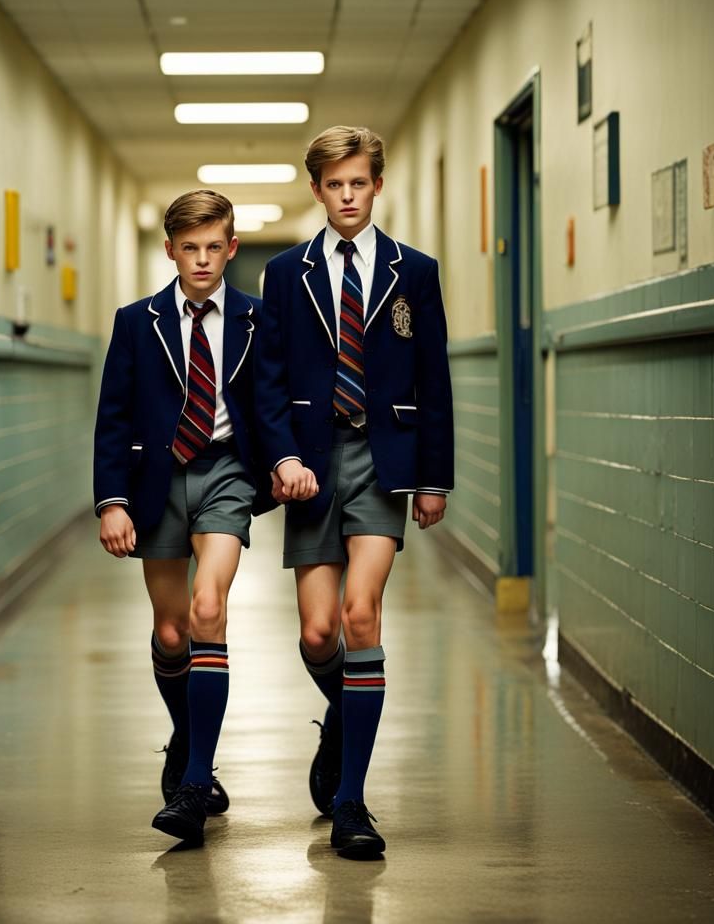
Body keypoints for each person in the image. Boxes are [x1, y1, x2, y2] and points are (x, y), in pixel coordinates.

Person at [256, 125, 454, 859]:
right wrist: (279, 455)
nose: (347, 196)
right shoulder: (287, 273)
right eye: (333, 185)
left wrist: (433, 478)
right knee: (317, 633)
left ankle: (352, 803)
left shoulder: (415, 271)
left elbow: (433, 379)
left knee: (360, 615)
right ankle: (345, 713)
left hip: (382, 458)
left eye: (358, 183)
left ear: (377, 184)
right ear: (317, 190)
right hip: (311, 462)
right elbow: (269, 380)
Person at [94, 189, 270, 847]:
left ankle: (196, 781)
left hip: (226, 473)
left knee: (206, 611)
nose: (202, 260)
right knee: (170, 633)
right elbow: (113, 418)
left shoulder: (257, 319)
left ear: (231, 247)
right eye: (189, 248)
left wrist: (284, 463)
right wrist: (112, 500)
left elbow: (274, 403)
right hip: (156, 479)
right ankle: (186, 736)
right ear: (170, 250)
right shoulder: (137, 322)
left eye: (213, 248)